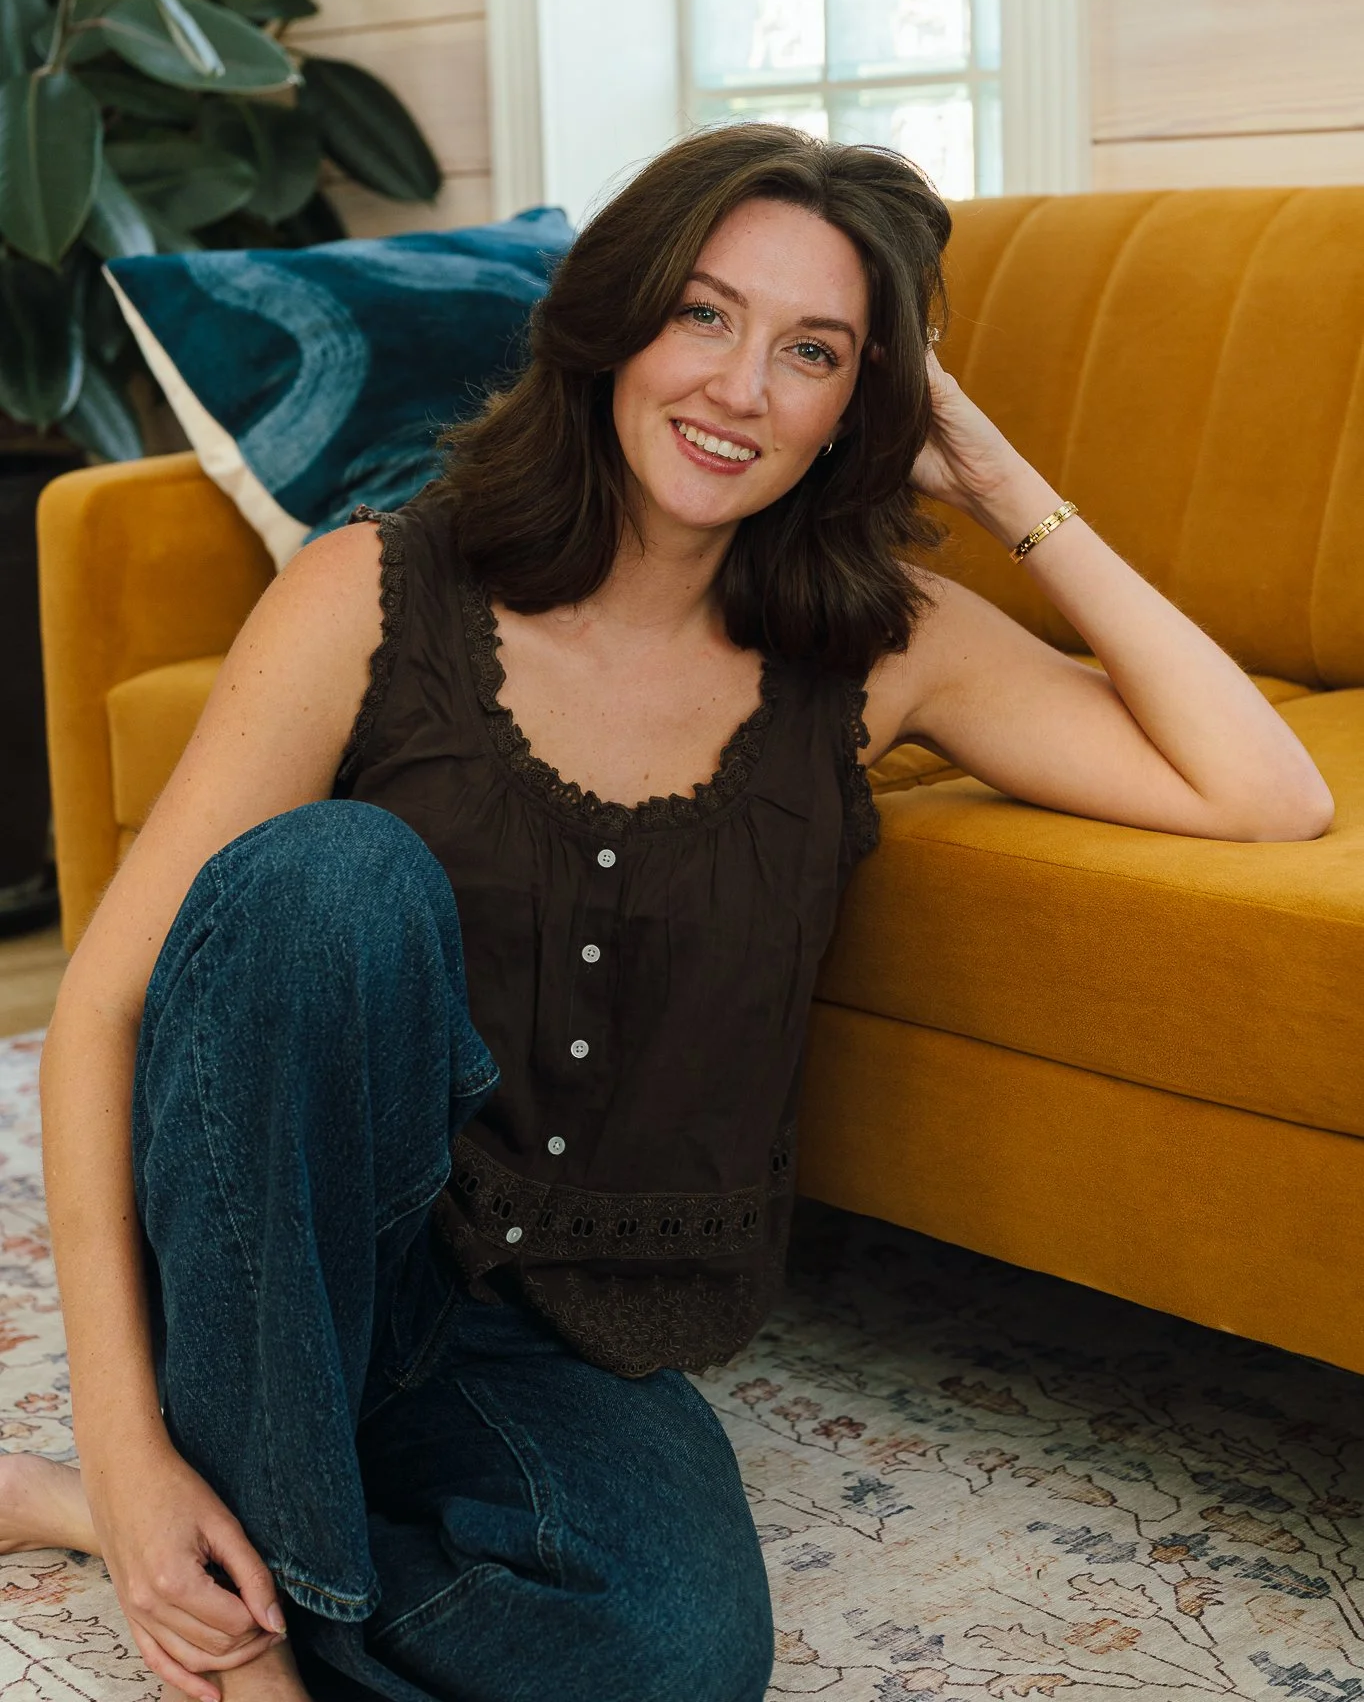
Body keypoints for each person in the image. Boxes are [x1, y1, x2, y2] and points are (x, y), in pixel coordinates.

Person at [1, 126, 1331, 1702]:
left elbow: (1266, 792)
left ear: (861, 405)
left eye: (813, 351)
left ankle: (154, 1535)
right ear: (619, 321)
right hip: (286, 1253)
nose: (740, 388)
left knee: (675, 1657)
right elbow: (105, 1004)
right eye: (704, 314)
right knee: (330, 878)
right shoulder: (370, 589)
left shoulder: (876, 645)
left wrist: (993, 473)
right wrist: (130, 1442)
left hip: (551, 1320)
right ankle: (240, 1634)